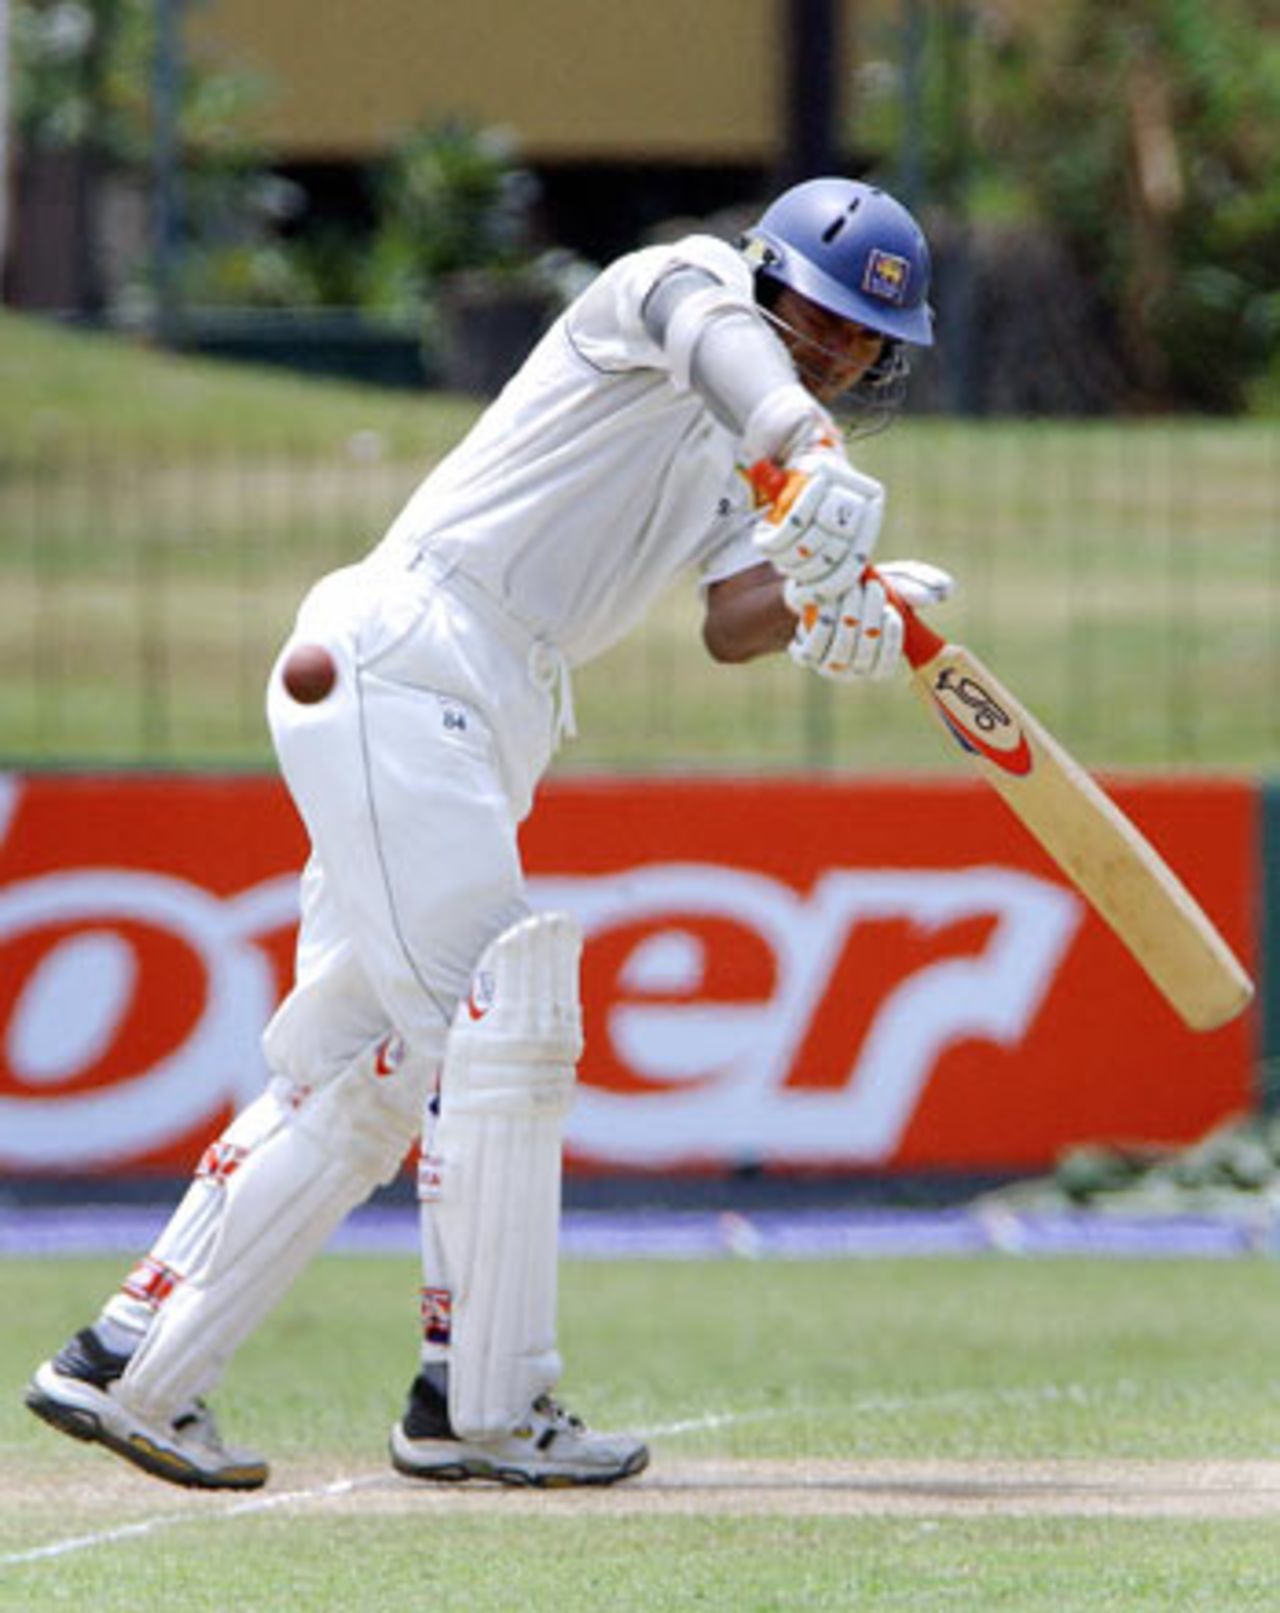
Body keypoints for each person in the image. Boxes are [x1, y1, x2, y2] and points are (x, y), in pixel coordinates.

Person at [26, 176, 952, 1491]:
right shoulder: (669, 290)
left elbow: (731, 617)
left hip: (474, 708)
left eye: (868, 346)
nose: (842, 353)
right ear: (772, 276)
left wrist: (840, 595)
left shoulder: (748, 456)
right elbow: (733, 354)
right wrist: (810, 444)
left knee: (367, 1062)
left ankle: (129, 1359)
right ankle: (480, 1400)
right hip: (416, 658)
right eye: (830, 318)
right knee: (501, 1006)